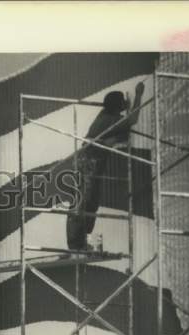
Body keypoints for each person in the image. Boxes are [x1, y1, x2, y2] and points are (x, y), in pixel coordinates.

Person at [66, 81, 145, 252]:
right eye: (122, 102)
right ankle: (75, 246)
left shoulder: (108, 116)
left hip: (92, 162)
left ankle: (82, 243)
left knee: (91, 202)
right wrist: (139, 95)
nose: (125, 104)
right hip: (87, 162)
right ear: (118, 106)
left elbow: (124, 126)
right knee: (82, 202)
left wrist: (115, 139)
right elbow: (132, 119)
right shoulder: (110, 119)